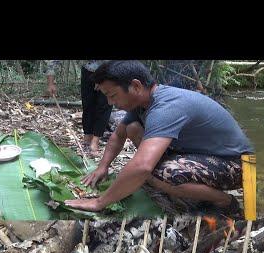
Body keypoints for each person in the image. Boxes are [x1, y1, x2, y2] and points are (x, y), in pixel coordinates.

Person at [63, 60, 253, 218]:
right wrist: (103, 166)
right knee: (133, 128)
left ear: (136, 86)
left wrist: (99, 202)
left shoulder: (166, 107)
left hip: (238, 163)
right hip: (201, 153)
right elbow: (118, 135)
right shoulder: (143, 103)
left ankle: (224, 201)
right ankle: (182, 190)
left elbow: (142, 166)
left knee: (162, 175)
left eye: (113, 95)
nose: (111, 103)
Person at [45, 60, 112, 157]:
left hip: (109, 68)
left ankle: (95, 141)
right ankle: (87, 138)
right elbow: (53, 62)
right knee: (88, 104)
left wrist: (101, 78)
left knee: (104, 104)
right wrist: (50, 83)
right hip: (88, 69)